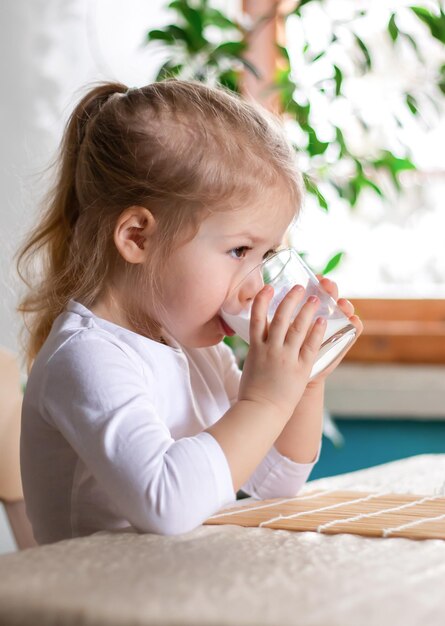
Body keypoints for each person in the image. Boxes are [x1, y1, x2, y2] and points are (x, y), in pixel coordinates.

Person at [16, 79, 362, 544]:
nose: (255, 285)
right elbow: (167, 503)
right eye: (240, 250)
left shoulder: (194, 348)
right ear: (138, 237)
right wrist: (267, 401)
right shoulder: (87, 357)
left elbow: (275, 483)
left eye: (266, 256)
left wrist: (303, 384)